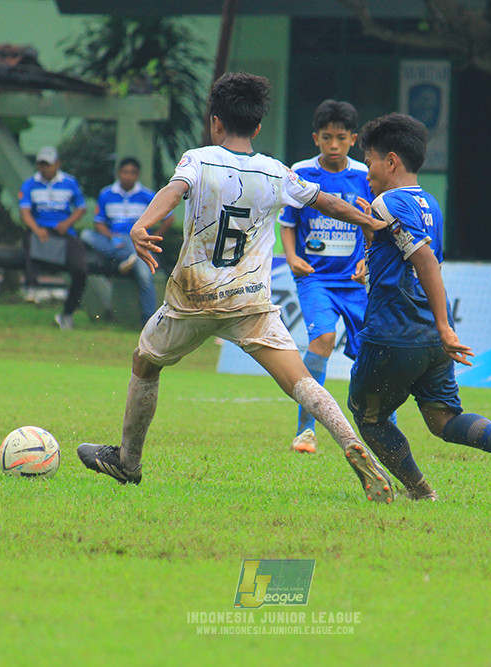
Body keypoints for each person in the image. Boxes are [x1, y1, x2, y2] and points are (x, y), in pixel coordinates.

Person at [76, 72, 395, 504]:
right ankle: (351, 444)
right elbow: (326, 201)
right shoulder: (276, 171)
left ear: (215, 123)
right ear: (258, 127)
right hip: (249, 302)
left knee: (145, 363)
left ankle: (128, 461)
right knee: (301, 381)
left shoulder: (199, 159)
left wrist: (141, 224)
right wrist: (369, 221)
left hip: (193, 297)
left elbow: (175, 190)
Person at [347, 113, 491, 502]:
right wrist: (372, 248)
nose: (366, 174)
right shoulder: (428, 202)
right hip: (430, 341)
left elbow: (425, 261)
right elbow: (409, 258)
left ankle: (419, 491)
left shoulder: (387, 202)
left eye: (368, 164)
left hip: (394, 334)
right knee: (442, 418)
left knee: (368, 416)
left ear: (391, 161)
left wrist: (446, 325)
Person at [279, 99, 381, 454]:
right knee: (322, 338)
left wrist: (367, 262)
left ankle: (384, 426)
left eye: (341, 138)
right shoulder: (301, 172)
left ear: (353, 139)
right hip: (315, 279)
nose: (333, 145)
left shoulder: (363, 177)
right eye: (326, 138)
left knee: (369, 352)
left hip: (354, 283)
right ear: (316, 139)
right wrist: (291, 257)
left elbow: (372, 227)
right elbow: (288, 224)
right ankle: (306, 431)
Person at [80, 157, 173, 326]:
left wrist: (154, 239)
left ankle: (148, 322)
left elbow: (168, 218)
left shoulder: (147, 195)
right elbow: (98, 222)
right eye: (125, 172)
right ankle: (125, 256)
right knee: (86, 235)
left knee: (145, 275)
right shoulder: (107, 194)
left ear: (137, 175)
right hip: (113, 239)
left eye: (132, 173)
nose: (128, 176)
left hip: (138, 241)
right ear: (119, 173)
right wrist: (110, 236)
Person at [19, 146, 88, 331]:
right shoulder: (29, 184)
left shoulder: (70, 182)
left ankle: (68, 312)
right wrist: (36, 228)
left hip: (64, 231)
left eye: (48, 164)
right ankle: (31, 287)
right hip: (39, 229)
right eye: (41, 164)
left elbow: (81, 207)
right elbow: (25, 213)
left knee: (81, 269)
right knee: (29, 240)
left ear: (57, 164)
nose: (45, 168)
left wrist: (67, 222)